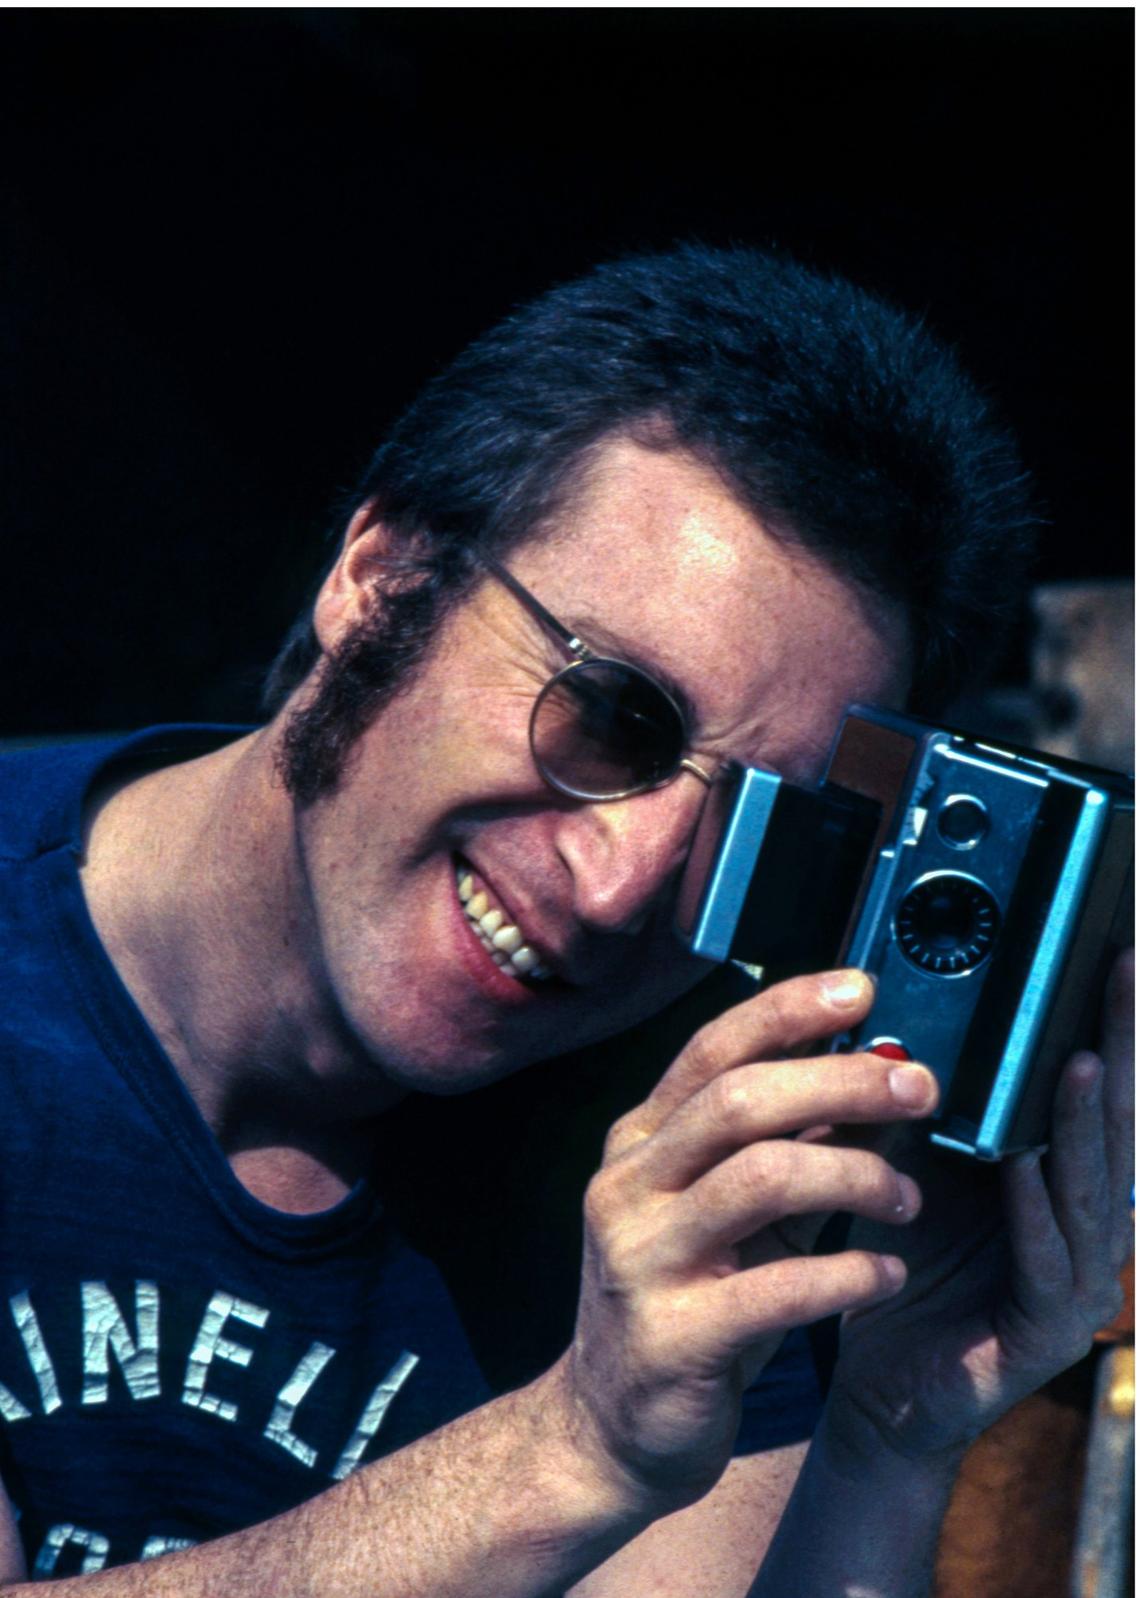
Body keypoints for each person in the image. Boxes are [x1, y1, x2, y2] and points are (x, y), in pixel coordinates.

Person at [0, 244, 1130, 1596]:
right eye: (612, 713)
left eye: (744, 827)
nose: (622, 884)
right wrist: (570, 1444)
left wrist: (886, 1429)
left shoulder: (699, 1123)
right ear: (382, 574)